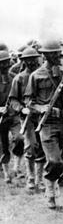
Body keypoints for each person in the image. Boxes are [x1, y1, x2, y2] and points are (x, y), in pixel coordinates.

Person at [24, 39, 63, 209]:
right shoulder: (36, 76)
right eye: (53, 53)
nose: (57, 55)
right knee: (55, 161)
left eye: (58, 52)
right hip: (47, 124)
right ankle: (49, 189)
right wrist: (42, 108)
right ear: (45, 55)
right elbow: (28, 101)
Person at [8, 47, 44, 190]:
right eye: (28, 60)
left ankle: (40, 180)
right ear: (23, 61)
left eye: (33, 59)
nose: (31, 62)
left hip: (42, 117)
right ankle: (30, 177)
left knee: (42, 147)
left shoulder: (44, 75)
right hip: (27, 118)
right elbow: (13, 100)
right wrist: (21, 108)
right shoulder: (19, 78)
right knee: (30, 147)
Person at [0, 50, 24, 183]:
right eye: (1, 63)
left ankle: (17, 168)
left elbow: (19, 97)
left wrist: (18, 107)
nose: (4, 66)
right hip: (1, 118)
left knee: (20, 138)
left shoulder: (15, 78)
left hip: (14, 116)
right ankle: (6, 173)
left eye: (6, 62)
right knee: (3, 145)